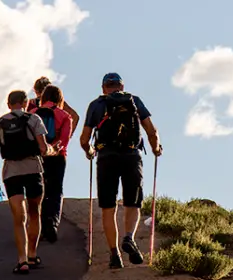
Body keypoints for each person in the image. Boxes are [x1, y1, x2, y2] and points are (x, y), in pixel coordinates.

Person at [79, 72, 163, 269]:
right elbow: (152, 130)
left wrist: (90, 151)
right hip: (131, 156)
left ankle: (114, 254)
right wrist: (156, 148)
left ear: (103, 88)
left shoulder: (96, 105)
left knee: (108, 207)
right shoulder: (134, 101)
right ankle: (129, 237)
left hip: (106, 157)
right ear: (122, 86)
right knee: (132, 203)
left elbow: (84, 138)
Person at [0, 90, 57, 274]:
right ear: (26, 103)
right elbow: (43, 148)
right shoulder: (34, 119)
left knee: (19, 218)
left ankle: (22, 260)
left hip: (11, 172)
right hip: (33, 169)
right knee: (35, 212)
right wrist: (52, 151)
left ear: (8, 104)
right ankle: (33, 254)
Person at [28, 84, 73, 244]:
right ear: (59, 98)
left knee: (38, 192)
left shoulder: (32, 114)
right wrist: (53, 148)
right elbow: (65, 140)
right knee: (55, 190)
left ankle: (37, 226)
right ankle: (52, 223)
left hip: (37, 157)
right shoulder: (65, 116)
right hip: (57, 157)